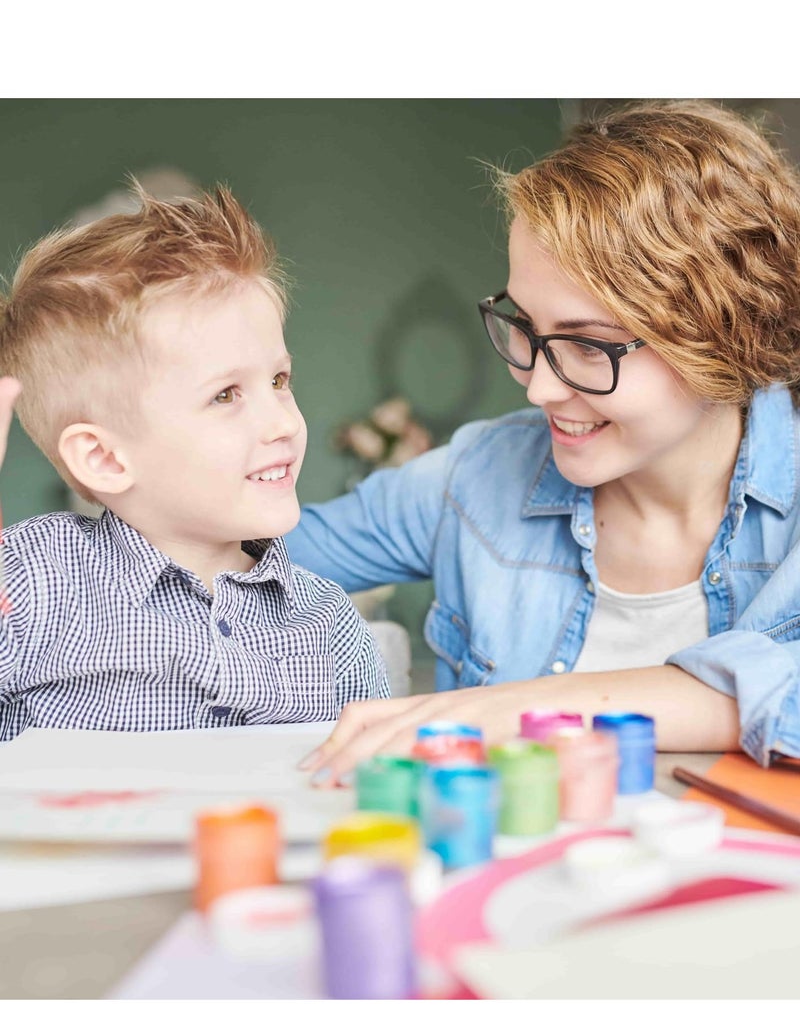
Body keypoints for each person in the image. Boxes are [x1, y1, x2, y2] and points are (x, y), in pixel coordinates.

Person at [287, 100, 800, 783]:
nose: (537, 388)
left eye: (589, 345)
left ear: (726, 331)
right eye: (525, 325)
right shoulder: (475, 477)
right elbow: (236, 563)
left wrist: (518, 710)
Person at [0, 186, 389, 741]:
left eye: (279, 381)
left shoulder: (329, 623)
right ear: (105, 458)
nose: (284, 422)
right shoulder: (33, 582)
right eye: (226, 395)